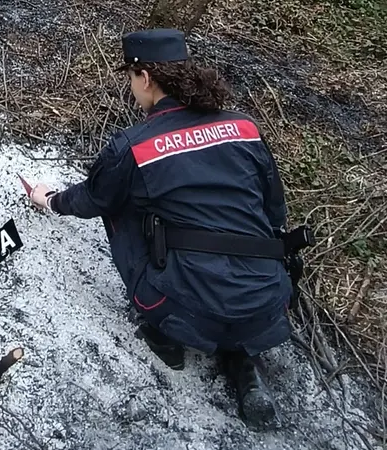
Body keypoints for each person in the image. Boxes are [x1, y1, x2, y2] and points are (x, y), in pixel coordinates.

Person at [30, 28, 294, 427]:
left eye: (131, 78)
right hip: (270, 302)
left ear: (145, 78)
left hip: (186, 306)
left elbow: (93, 199)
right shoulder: (245, 127)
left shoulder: (135, 145)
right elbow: (276, 213)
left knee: (122, 204)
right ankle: (243, 361)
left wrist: (49, 198)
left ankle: (165, 334)